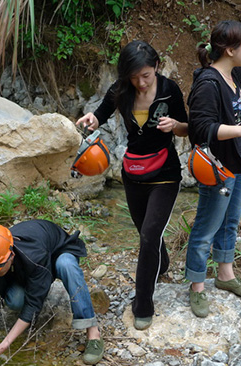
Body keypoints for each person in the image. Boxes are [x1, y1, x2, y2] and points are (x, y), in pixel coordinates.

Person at [76, 40, 188, 330]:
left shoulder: (169, 90)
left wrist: (175, 126)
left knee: (149, 235)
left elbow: (188, 128)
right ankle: (161, 264)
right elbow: (100, 113)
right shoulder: (122, 89)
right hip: (133, 172)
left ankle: (143, 304)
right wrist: (92, 118)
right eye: (134, 77)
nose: (140, 82)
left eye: (146, 75)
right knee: (146, 233)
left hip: (165, 172)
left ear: (156, 67)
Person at [185, 20, 241, 318]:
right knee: (207, 225)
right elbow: (200, 129)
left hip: (237, 159)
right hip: (218, 165)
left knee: (230, 222)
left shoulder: (232, 73)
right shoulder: (208, 83)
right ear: (230, 49)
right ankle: (196, 285)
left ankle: (225, 274)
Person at [0, 220, 103, 366]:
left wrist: (5, 343)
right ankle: (31, 286)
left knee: (67, 265)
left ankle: (93, 332)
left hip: (56, 254)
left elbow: (34, 305)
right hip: (24, 269)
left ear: (11, 255)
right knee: (15, 301)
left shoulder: (33, 254)